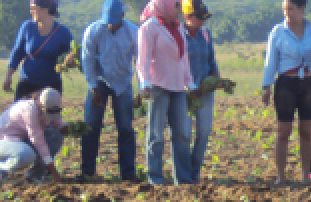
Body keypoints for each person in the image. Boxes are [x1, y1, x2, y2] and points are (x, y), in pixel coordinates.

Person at [260, 0, 311, 184]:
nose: (287, 13)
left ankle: (305, 176)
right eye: (285, 9)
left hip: (308, 84)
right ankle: (281, 175)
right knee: (283, 132)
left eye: (291, 9)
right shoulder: (278, 31)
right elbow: (270, 61)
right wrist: (267, 87)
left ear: (301, 9)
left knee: (307, 131)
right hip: (286, 84)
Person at [136, 0, 195, 185]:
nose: (179, 9)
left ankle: (183, 178)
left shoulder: (178, 27)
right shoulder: (150, 27)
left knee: (182, 134)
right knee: (156, 135)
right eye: (176, 5)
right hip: (158, 86)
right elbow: (143, 59)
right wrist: (144, 83)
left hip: (177, 87)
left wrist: (190, 83)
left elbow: (183, 58)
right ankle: (155, 178)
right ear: (166, 5)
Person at [80, 0, 138, 182]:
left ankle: (128, 173)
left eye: (114, 20)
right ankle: (87, 171)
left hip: (123, 83)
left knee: (126, 128)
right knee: (91, 126)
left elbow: (140, 61)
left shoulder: (133, 32)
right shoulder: (93, 30)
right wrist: (93, 86)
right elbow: (87, 59)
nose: (110, 25)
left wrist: (142, 87)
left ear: (123, 16)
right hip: (100, 81)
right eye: (108, 21)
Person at [0, 87, 65, 183]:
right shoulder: (29, 110)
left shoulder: (50, 107)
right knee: (26, 155)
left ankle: (35, 174)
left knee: (55, 135)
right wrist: (54, 173)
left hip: (18, 140)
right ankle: (1, 168)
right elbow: (39, 142)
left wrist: (70, 129)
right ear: (40, 105)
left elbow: (58, 123)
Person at [3, 0, 74, 101]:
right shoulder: (27, 27)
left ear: (46, 9)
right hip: (26, 84)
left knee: (47, 116)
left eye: (34, 8)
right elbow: (17, 53)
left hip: (51, 86)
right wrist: (8, 76)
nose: (31, 11)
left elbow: (73, 56)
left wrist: (70, 61)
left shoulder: (63, 33)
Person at [184, 0, 219, 184]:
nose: (203, 22)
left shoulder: (206, 34)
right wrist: (189, 87)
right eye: (199, 18)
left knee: (204, 132)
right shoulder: (179, 35)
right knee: (184, 134)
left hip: (205, 90)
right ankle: (184, 172)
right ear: (188, 17)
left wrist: (217, 77)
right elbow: (177, 63)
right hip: (185, 92)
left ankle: (194, 171)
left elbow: (211, 60)